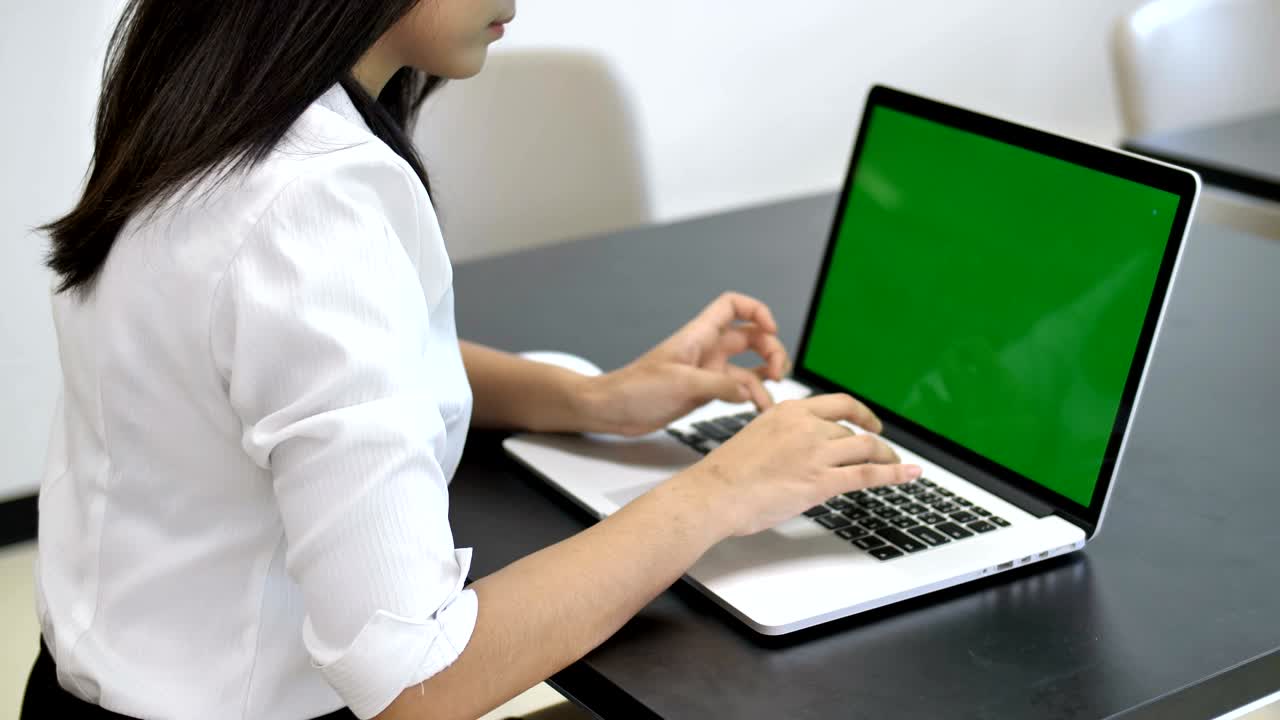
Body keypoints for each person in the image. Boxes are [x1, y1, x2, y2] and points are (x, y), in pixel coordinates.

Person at [23, 1, 921, 718]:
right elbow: (415, 680)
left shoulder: (206, 111)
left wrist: (592, 399)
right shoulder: (308, 206)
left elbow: (284, 370)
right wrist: (716, 493)